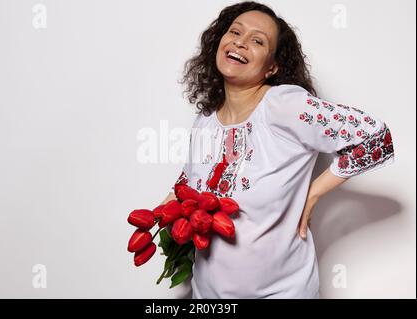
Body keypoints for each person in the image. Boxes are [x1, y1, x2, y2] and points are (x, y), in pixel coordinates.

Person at [161, 1, 395, 299]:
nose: (240, 42)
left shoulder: (285, 106)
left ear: (272, 66)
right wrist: (161, 214)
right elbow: (191, 180)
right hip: (208, 294)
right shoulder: (205, 120)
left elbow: (376, 137)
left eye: (258, 41)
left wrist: (314, 193)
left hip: (281, 292)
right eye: (235, 32)